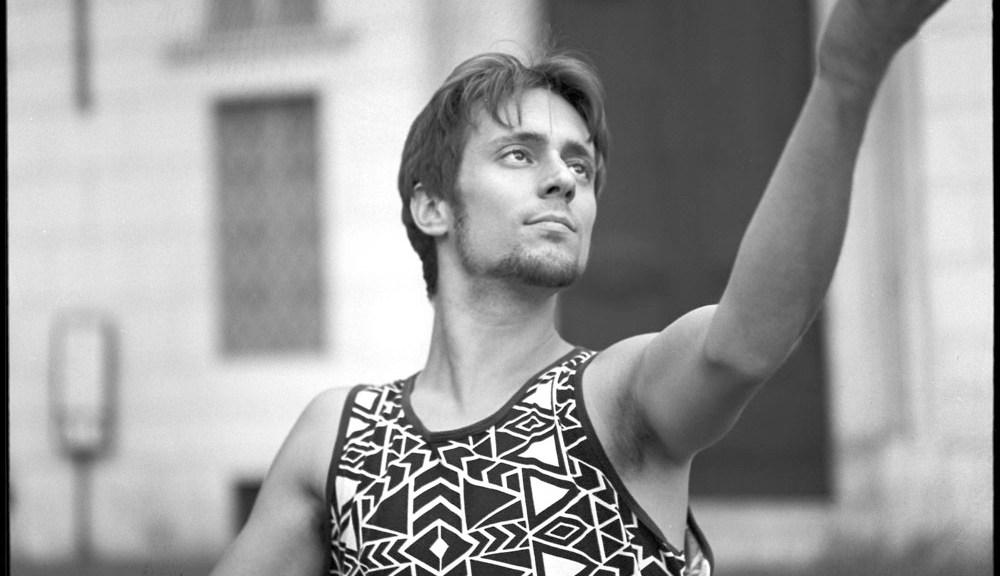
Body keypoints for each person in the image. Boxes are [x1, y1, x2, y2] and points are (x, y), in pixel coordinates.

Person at [211, 0, 949, 574]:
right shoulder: (339, 439)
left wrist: (847, 72)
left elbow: (743, 346)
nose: (564, 178)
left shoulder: (617, 398)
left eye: (580, 166)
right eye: (518, 154)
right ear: (432, 205)